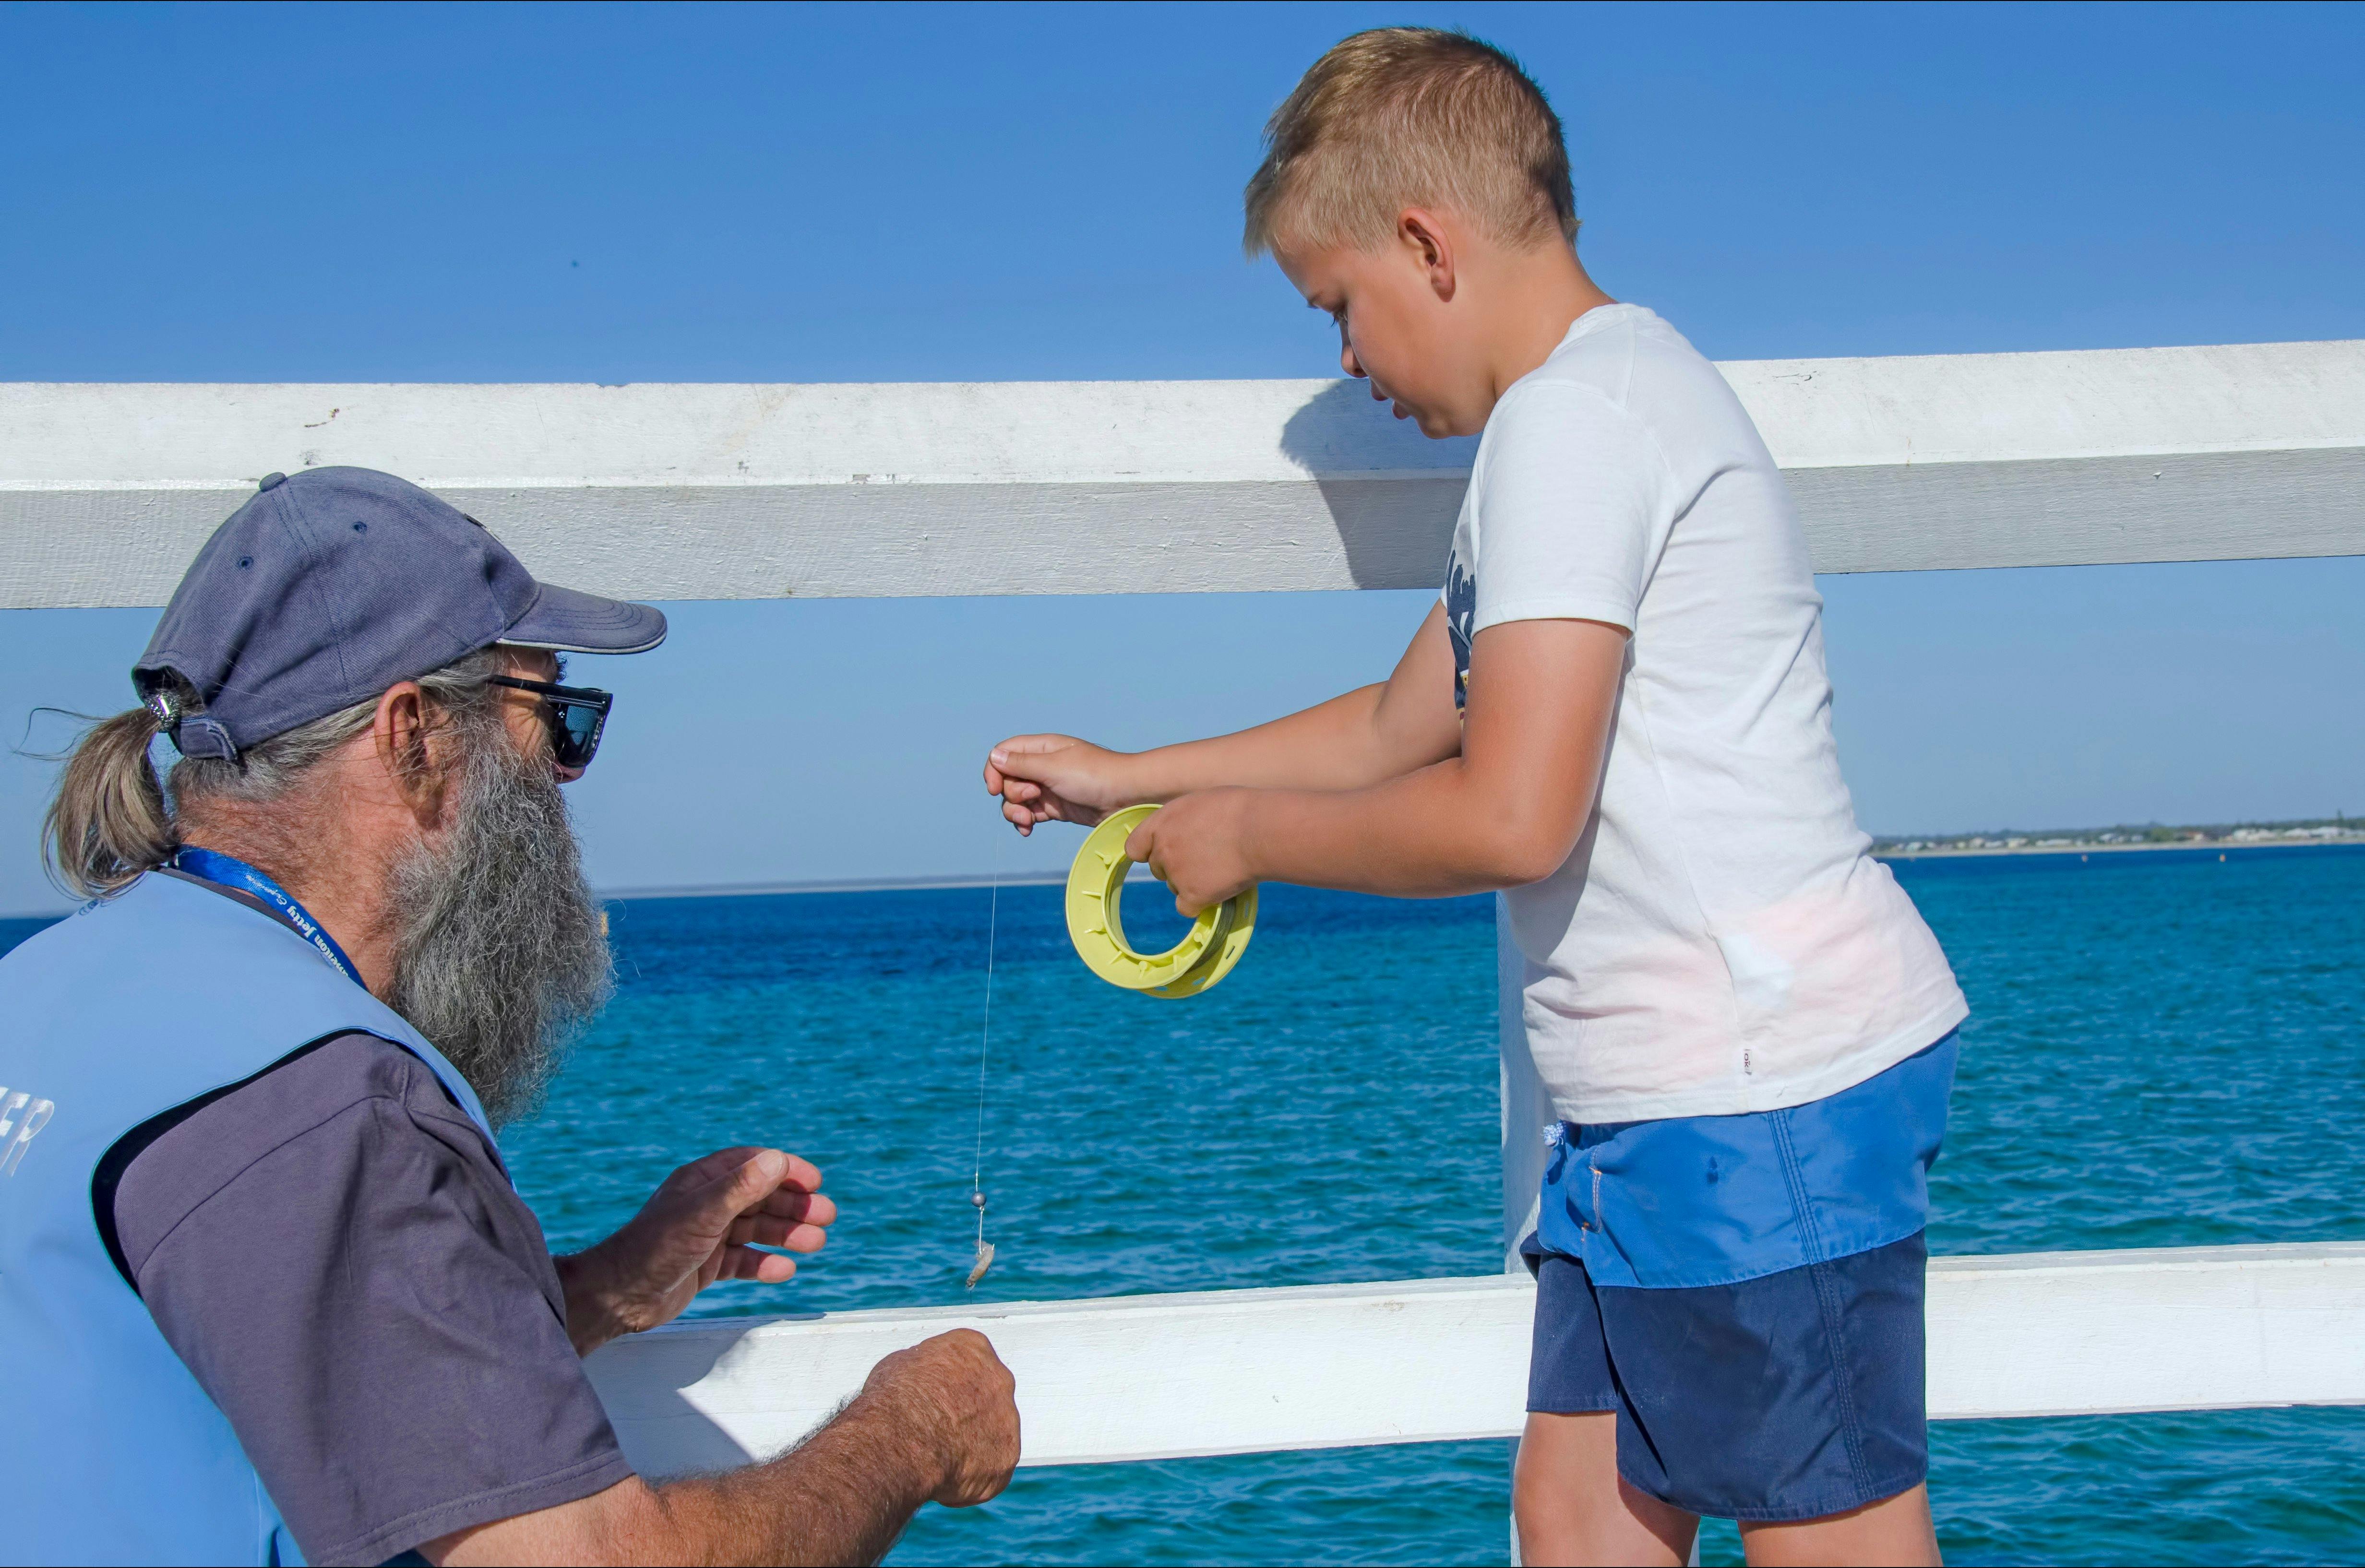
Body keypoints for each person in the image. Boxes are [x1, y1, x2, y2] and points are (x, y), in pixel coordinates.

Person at [985, 29, 1964, 1568]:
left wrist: (1245, 843)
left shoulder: (1578, 427)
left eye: (1340, 310)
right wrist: (1135, 776)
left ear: (1426, 246)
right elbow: (1397, 724)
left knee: (1827, 1533)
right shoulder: (1582, 419)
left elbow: (1512, 813)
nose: (1350, 363)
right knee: (1573, 1517)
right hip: (1650, 1107)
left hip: (1754, 1086)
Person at [0, 466, 1018, 1567]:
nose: (565, 780)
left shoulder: (54, 990)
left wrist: (612, 1287)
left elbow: (270, 1348)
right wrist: (911, 1431)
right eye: (559, 719)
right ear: (415, 736)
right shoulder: (325, 1104)